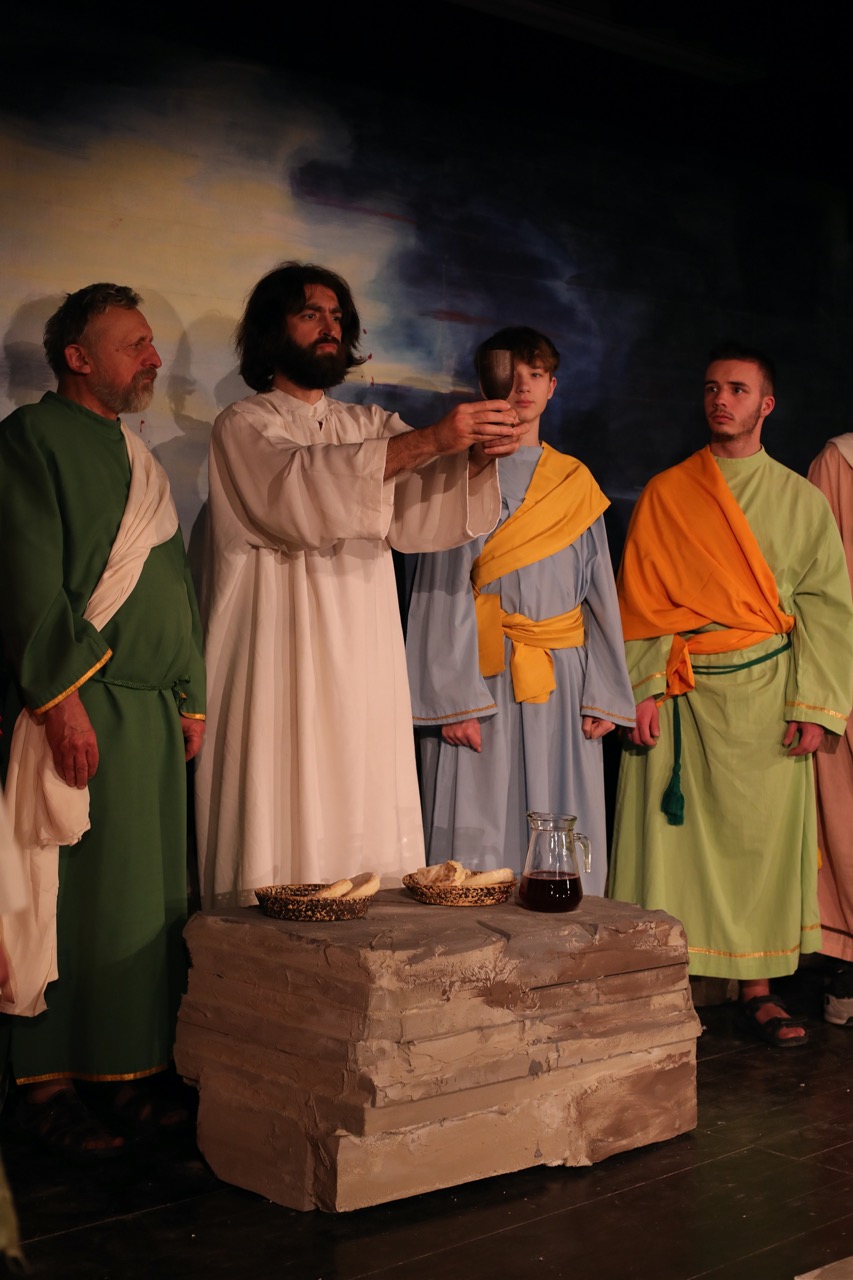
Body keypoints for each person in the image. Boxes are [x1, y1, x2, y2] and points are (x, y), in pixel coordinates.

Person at [196, 262, 523, 907]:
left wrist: (473, 457)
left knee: (361, 784)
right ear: (273, 331)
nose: (329, 327)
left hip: (363, 650)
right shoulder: (244, 424)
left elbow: (423, 508)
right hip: (278, 652)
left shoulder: (369, 423)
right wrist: (435, 439)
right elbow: (294, 491)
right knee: (281, 789)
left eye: (337, 317)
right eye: (310, 314)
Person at [0, 283, 206, 1154]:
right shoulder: (30, 438)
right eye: (133, 345)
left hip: (149, 713)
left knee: (140, 907)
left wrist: (191, 692)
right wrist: (60, 700)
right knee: (67, 895)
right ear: (78, 357)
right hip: (82, 704)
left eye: (152, 343)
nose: (152, 359)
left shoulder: (136, 453)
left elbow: (172, 583)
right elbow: (23, 573)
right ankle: (46, 1082)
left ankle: (128, 1072)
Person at [609, 343, 853, 1047]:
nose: (721, 399)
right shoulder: (667, 492)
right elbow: (640, 600)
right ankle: (658, 991)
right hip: (681, 692)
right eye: (713, 388)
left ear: (765, 405)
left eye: (738, 389)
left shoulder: (800, 499)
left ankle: (758, 993)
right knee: (669, 847)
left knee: (758, 846)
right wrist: (643, 689)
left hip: (767, 696)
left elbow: (826, 607)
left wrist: (814, 706)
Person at [405, 327, 635, 894]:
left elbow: (599, 593)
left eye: (535, 375)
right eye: (512, 375)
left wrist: (605, 692)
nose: (523, 388)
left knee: (560, 828)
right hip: (479, 678)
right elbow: (437, 588)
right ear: (489, 383)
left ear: (552, 387)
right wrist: (450, 699)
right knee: (478, 830)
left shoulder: (575, 482)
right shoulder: (460, 473)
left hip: (560, 679)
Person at [808, 436, 853, 1023]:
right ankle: (846, 967)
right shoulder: (841, 461)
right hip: (847, 666)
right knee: (844, 816)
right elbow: (815, 577)